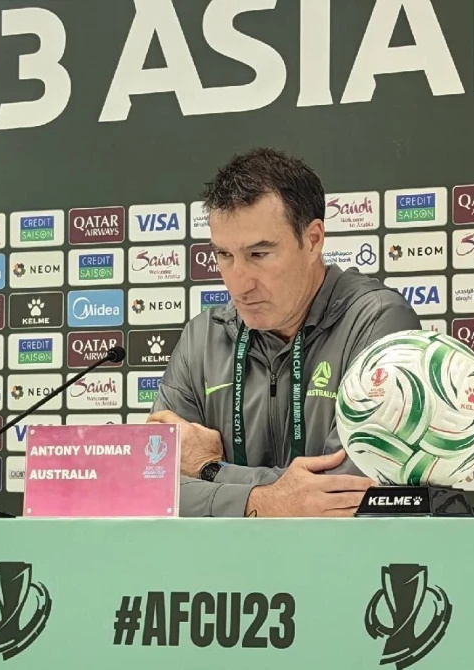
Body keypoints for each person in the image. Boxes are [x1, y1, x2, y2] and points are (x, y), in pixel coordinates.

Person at [148, 147, 422, 517]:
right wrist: (263, 502)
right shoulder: (203, 337)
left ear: (313, 240)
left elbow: (348, 490)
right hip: (223, 556)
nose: (239, 284)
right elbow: (153, 482)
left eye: (259, 254)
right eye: (224, 255)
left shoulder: (378, 321)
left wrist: (210, 470)